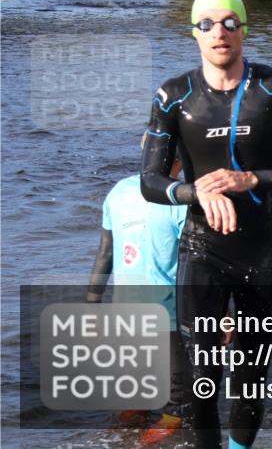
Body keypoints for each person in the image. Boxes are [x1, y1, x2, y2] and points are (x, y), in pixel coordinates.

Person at [141, 0, 272, 449]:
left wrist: (254, 180)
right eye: (207, 24)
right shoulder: (173, 95)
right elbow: (149, 181)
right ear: (194, 33)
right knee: (201, 377)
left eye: (229, 22)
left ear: (243, 29)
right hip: (202, 250)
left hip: (263, 253)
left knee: (250, 375)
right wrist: (193, 191)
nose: (219, 32)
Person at [87, 137, 188, 445]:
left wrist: (91, 302)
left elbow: (105, 252)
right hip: (166, 309)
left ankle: (128, 420)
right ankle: (162, 427)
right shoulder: (181, 199)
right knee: (178, 387)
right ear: (181, 162)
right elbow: (191, 263)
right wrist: (223, 312)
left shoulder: (118, 192)